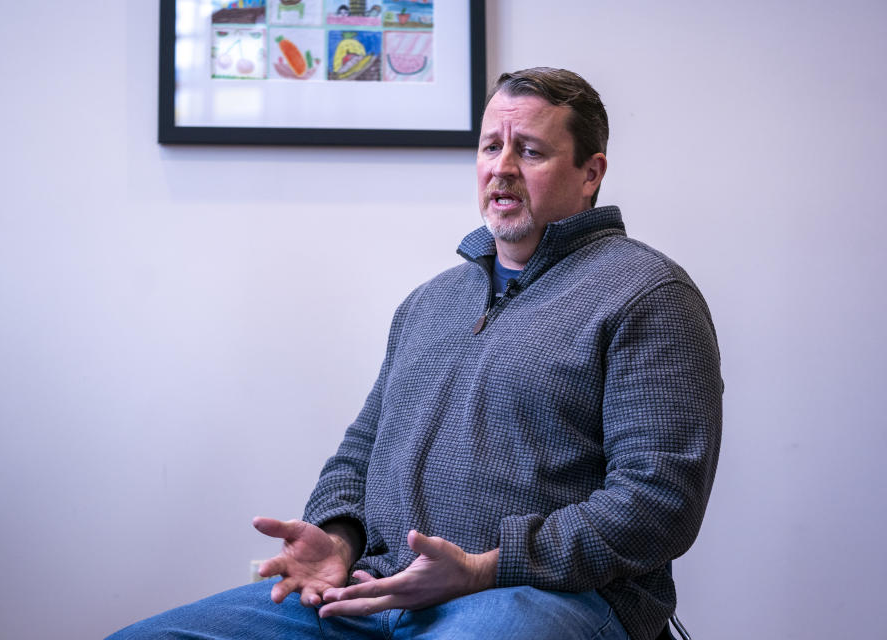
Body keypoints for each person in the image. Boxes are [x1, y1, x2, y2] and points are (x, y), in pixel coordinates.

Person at [108, 67, 722, 640]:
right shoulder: (430, 303)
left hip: (543, 595)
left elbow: (657, 501)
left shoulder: (646, 295)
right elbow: (361, 452)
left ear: (591, 173)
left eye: (529, 151)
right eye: (489, 147)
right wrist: (340, 538)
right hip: (374, 588)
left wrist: (486, 567)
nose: (501, 169)